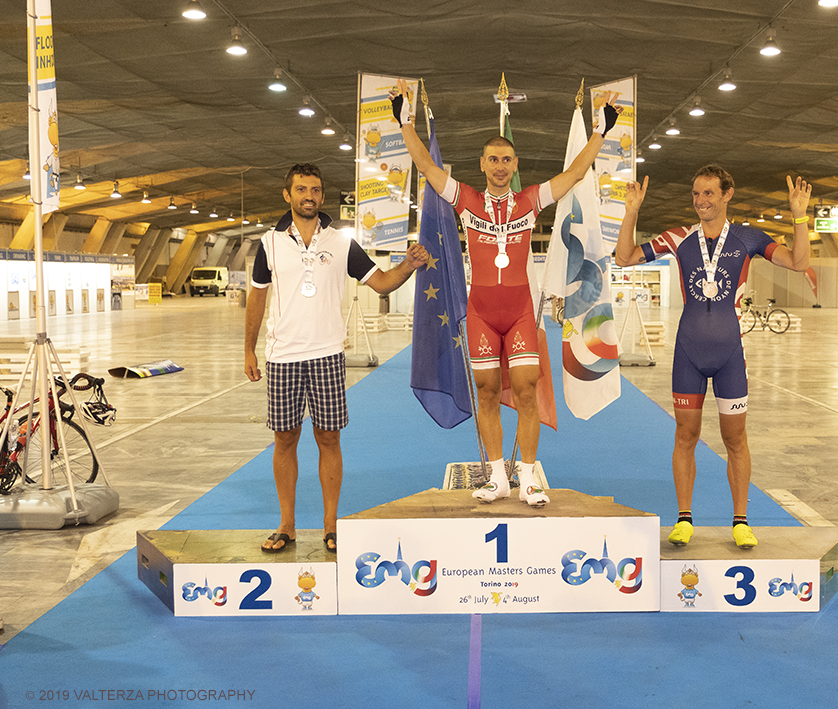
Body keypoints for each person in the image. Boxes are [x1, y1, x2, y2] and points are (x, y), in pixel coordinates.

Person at [393, 81, 618, 507]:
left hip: (518, 312)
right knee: (487, 391)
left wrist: (599, 133)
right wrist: (405, 121)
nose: (500, 166)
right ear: (482, 164)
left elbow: (572, 174)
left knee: (527, 390)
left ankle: (528, 479)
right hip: (481, 312)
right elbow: (425, 165)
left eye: (507, 160)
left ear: (515, 164)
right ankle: (497, 477)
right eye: (493, 159)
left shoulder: (531, 201)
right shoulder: (466, 199)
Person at [614, 167, 812, 549]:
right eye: (695, 194)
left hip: (729, 357)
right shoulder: (678, 237)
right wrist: (632, 211)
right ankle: (684, 518)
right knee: (685, 436)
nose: (701, 201)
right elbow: (624, 257)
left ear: (727, 195)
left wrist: (799, 215)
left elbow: (798, 262)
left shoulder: (748, 238)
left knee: (734, 439)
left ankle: (740, 520)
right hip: (688, 354)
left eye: (708, 193)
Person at [245, 163, 430, 552]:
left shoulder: (342, 243)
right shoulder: (268, 243)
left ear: (322, 197)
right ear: (287, 195)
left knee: (329, 437)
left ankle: (331, 525)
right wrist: (248, 349)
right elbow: (258, 296)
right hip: (283, 356)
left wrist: (408, 267)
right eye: (300, 189)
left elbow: (379, 281)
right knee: (284, 438)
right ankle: (287, 524)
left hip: (328, 354)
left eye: (314, 189)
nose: (308, 195)